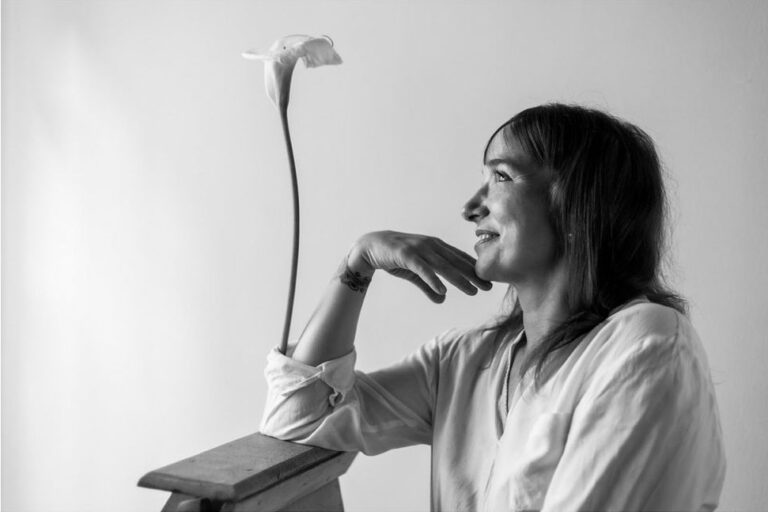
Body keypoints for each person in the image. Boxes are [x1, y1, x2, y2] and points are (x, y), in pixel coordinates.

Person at [260, 104, 726, 511]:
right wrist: (357, 265)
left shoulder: (647, 343)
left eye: (500, 176)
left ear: (575, 201)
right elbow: (299, 419)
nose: (470, 207)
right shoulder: (462, 362)